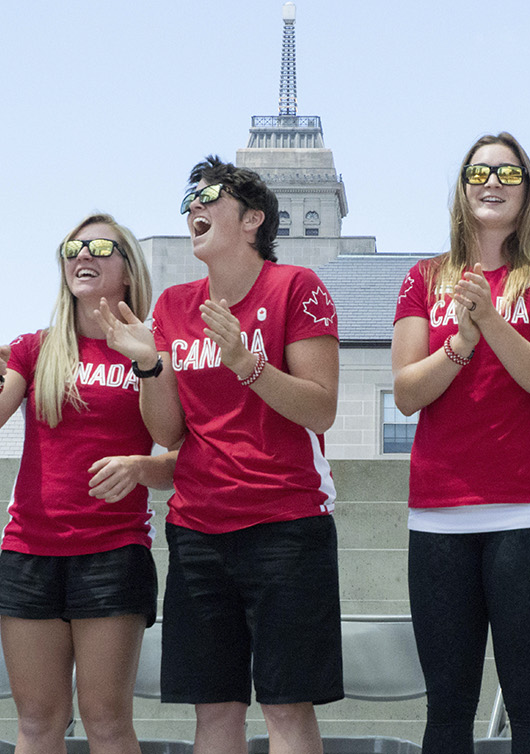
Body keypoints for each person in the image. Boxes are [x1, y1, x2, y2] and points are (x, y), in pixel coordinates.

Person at [99, 156, 342, 754]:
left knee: (286, 708)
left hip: (287, 525)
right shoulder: (176, 305)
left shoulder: (296, 288)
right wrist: (149, 362)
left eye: (209, 195)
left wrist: (246, 362)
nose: (194, 208)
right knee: (215, 712)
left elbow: (321, 409)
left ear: (253, 218)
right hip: (199, 530)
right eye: (188, 200)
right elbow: (169, 431)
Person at [391, 132, 530, 754]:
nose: (493, 184)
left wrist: (492, 321)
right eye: (480, 173)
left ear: (527, 190)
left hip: (523, 511)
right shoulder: (424, 278)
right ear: (462, 187)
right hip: (437, 516)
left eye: (508, 174)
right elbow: (405, 392)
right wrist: (461, 342)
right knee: (447, 707)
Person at [0, 214, 174, 754]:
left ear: (128, 269)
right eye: (72, 248)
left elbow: (178, 448)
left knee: (106, 722)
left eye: (102, 247)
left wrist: (138, 466)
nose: (84, 255)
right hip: (29, 551)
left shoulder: (153, 348)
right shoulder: (35, 349)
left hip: (113, 551)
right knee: (37, 723)